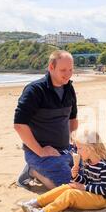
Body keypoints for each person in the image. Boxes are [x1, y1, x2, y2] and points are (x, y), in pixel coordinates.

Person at [14, 50, 78, 190]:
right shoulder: (35, 90)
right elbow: (19, 125)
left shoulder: (69, 88)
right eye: (63, 70)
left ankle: (56, 166)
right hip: (38, 153)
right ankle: (32, 171)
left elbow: (72, 119)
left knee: (89, 177)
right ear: (51, 67)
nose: (68, 74)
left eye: (70, 69)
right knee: (67, 188)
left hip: (65, 150)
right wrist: (40, 150)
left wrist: (75, 143)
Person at [20, 130, 106, 212]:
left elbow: (105, 190)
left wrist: (82, 187)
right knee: (68, 186)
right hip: (91, 193)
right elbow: (87, 180)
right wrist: (76, 176)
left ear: (90, 148)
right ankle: (35, 202)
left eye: (79, 148)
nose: (77, 152)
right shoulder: (88, 162)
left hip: (102, 199)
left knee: (71, 194)